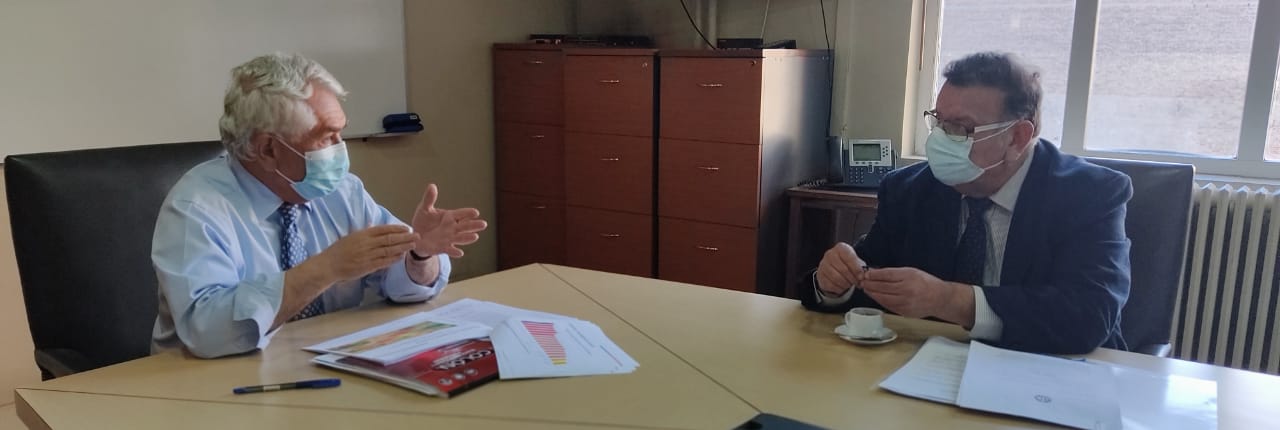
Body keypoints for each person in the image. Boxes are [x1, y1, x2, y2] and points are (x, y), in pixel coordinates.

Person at [151, 53, 488, 358]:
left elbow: (397, 283)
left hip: (319, 364)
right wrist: (327, 268)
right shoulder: (196, 208)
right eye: (326, 137)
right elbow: (207, 332)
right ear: (268, 149)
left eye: (341, 134)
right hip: (202, 384)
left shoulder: (343, 191)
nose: (339, 149)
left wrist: (419, 254)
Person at [801, 52, 1132, 354]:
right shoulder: (909, 190)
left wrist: (952, 301)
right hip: (930, 369)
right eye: (939, 121)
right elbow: (872, 280)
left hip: (1054, 372)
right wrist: (834, 284)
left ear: (1017, 137)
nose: (940, 140)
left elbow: (1090, 314)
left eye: (960, 128)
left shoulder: (1089, 194)